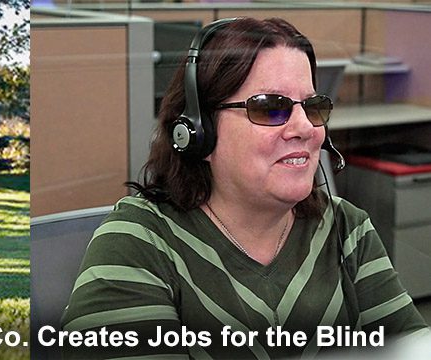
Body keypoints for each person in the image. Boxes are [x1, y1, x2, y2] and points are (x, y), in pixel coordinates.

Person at [60, 17, 429, 359]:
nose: (306, 128)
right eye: (270, 108)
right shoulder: (138, 242)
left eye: (313, 106)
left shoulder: (346, 228)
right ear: (198, 132)